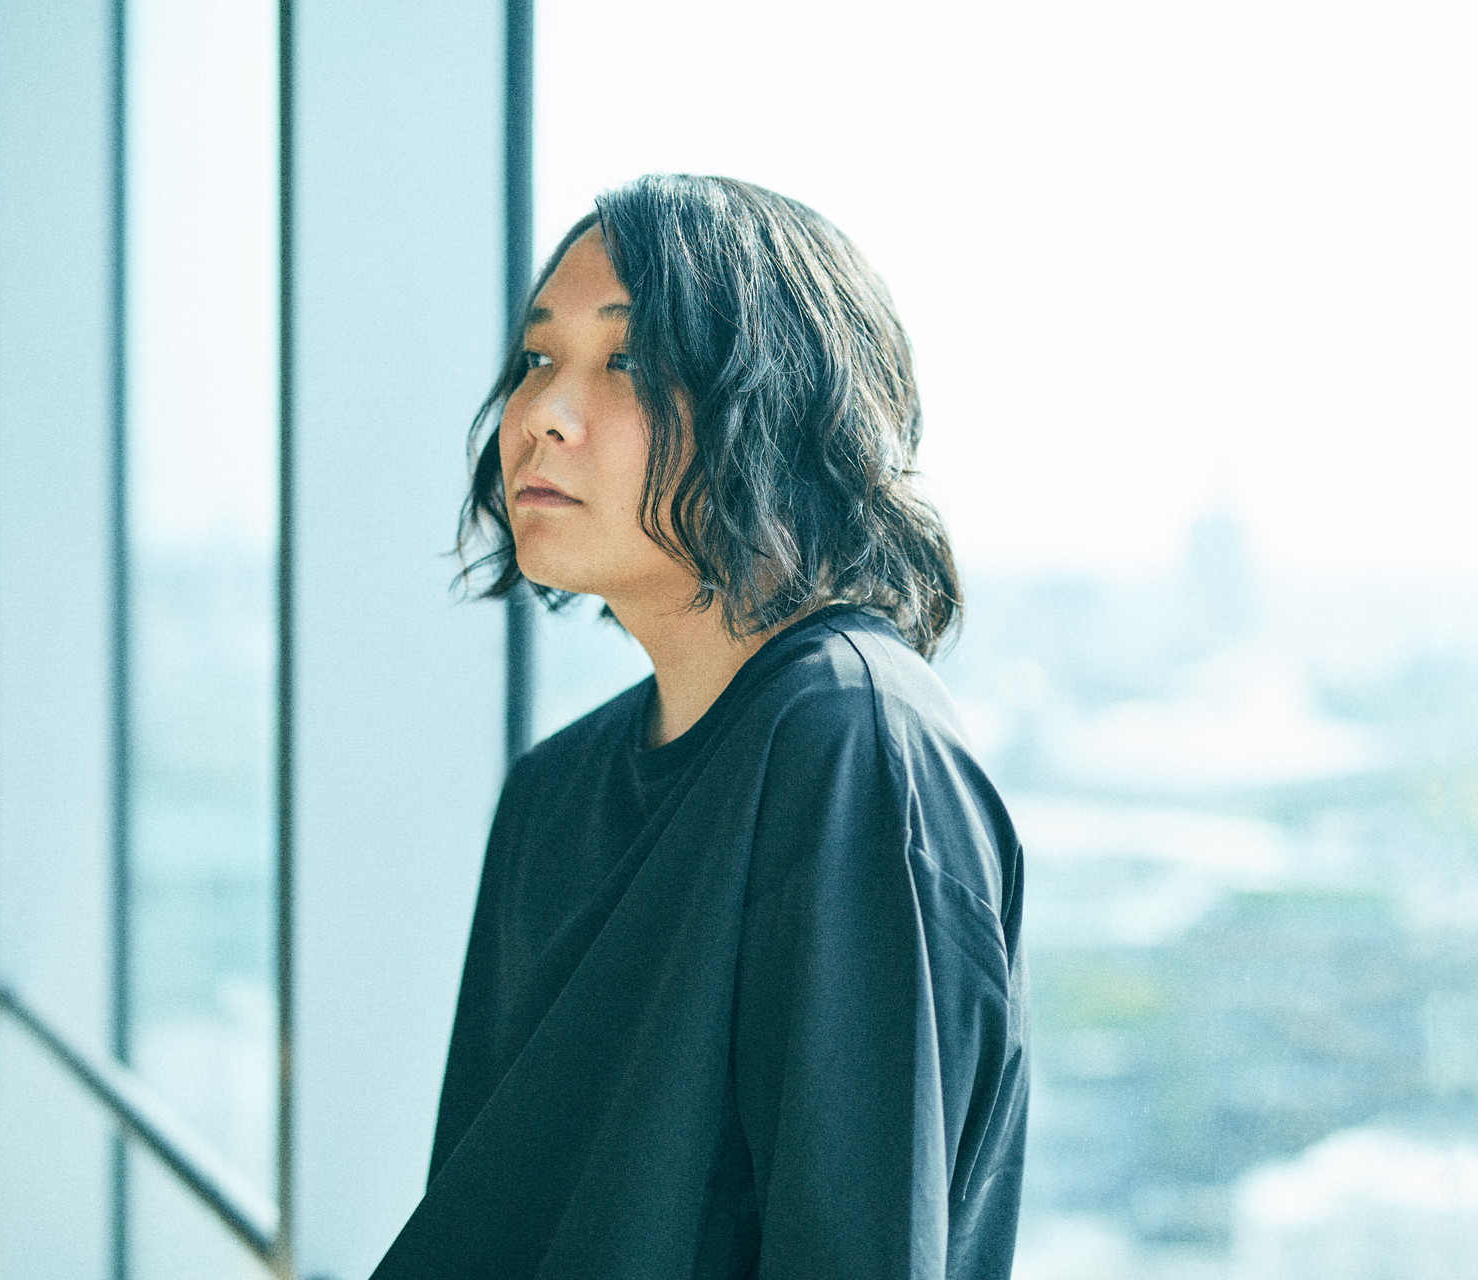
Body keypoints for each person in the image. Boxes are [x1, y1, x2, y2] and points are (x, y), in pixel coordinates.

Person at [370, 174, 1028, 1279]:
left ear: (773, 407)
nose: (542, 414)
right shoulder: (555, 788)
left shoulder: (851, 747)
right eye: (537, 357)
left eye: (626, 361)